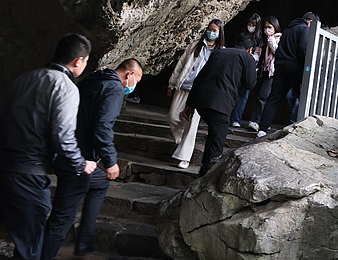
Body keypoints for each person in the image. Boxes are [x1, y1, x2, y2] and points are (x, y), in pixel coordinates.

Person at [0, 34, 97, 260]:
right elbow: (63, 135)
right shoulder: (66, 88)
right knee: (30, 247)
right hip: (28, 174)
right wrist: (80, 163)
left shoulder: (22, 79)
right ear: (78, 61)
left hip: (4, 166)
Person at [41, 59, 144, 260]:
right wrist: (111, 160)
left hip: (66, 151)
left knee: (100, 183)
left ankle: (85, 238)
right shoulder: (114, 88)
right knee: (62, 218)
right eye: (137, 81)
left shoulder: (93, 80)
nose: (133, 87)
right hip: (80, 162)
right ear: (130, 75)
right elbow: (103, 127)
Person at [184, 47, 256, 176]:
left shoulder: (218, 52)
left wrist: (189, 104)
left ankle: (203, 173)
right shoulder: (247, 57)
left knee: (212, 138)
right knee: (216, 146)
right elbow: (250, 83)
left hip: (202, 101)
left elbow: (199, 77)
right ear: (250, 49)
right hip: (221, 104)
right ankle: (205, 179)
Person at [167, 19, 224, 169]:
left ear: (220, 34)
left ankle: (184, 157)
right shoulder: (194, 46)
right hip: (184, 86)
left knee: (192, 124)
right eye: (210, 29)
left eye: (215, 31)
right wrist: (172, 83)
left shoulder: (220, 52)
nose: (211, 33)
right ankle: (179, 139)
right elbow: (180, 65)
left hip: (201, 92)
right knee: (173, 116)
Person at [253, 12, 318, 137]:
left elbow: (279, 49)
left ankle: (262, 129)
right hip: (294, 69)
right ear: (310, 22)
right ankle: (304, 129)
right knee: (302, 97)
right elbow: (302, 49)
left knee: (273, 98)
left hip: (280, 67)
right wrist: (305, 67)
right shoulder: (304, 29)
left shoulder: (288, 30)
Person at [247, 16, 282, 132]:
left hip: (271, 72)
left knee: (263, 96)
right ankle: (259, 121)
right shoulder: (262, 40)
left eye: (270, 27)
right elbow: (258, 53)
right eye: (266, 27)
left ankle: (256, 121)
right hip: (262, 71)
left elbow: (277, 52)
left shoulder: (278, 38)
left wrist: (271, 40)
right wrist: (251, 58)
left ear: (275, 28)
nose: (267, 29)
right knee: (258, 96)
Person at [230, 13, 262, 127]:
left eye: (253, 24)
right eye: (249, 23)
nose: (250, 26)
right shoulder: (241, 35)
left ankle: (236, 119)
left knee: (243, 95)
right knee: (233, 92)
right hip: (237, 66)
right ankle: (229, 116)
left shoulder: (259, 39)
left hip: (249, 68)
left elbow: (259, 54)